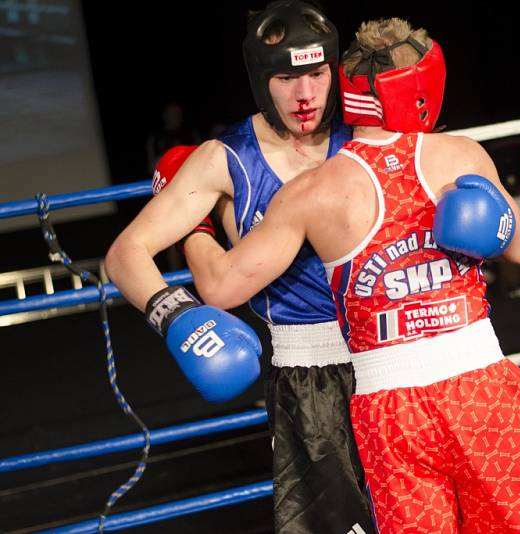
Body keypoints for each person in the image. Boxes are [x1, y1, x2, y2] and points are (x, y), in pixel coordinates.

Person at [183, 17, 520, 533]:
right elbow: (517, 249)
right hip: (482, 395)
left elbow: (220, 286)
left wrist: (198, 227)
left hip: (387, 415)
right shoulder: (459, 155)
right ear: (421, 89)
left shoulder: (311, 193)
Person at [105, 2, 375, 533]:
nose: (305, 95)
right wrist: (178, 315)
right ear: (260, 79)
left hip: (395, 361)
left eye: (317, 74)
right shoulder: (225, 159)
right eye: (286, 78)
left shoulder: (367, 134)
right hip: (311, 382)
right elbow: (125, 253)